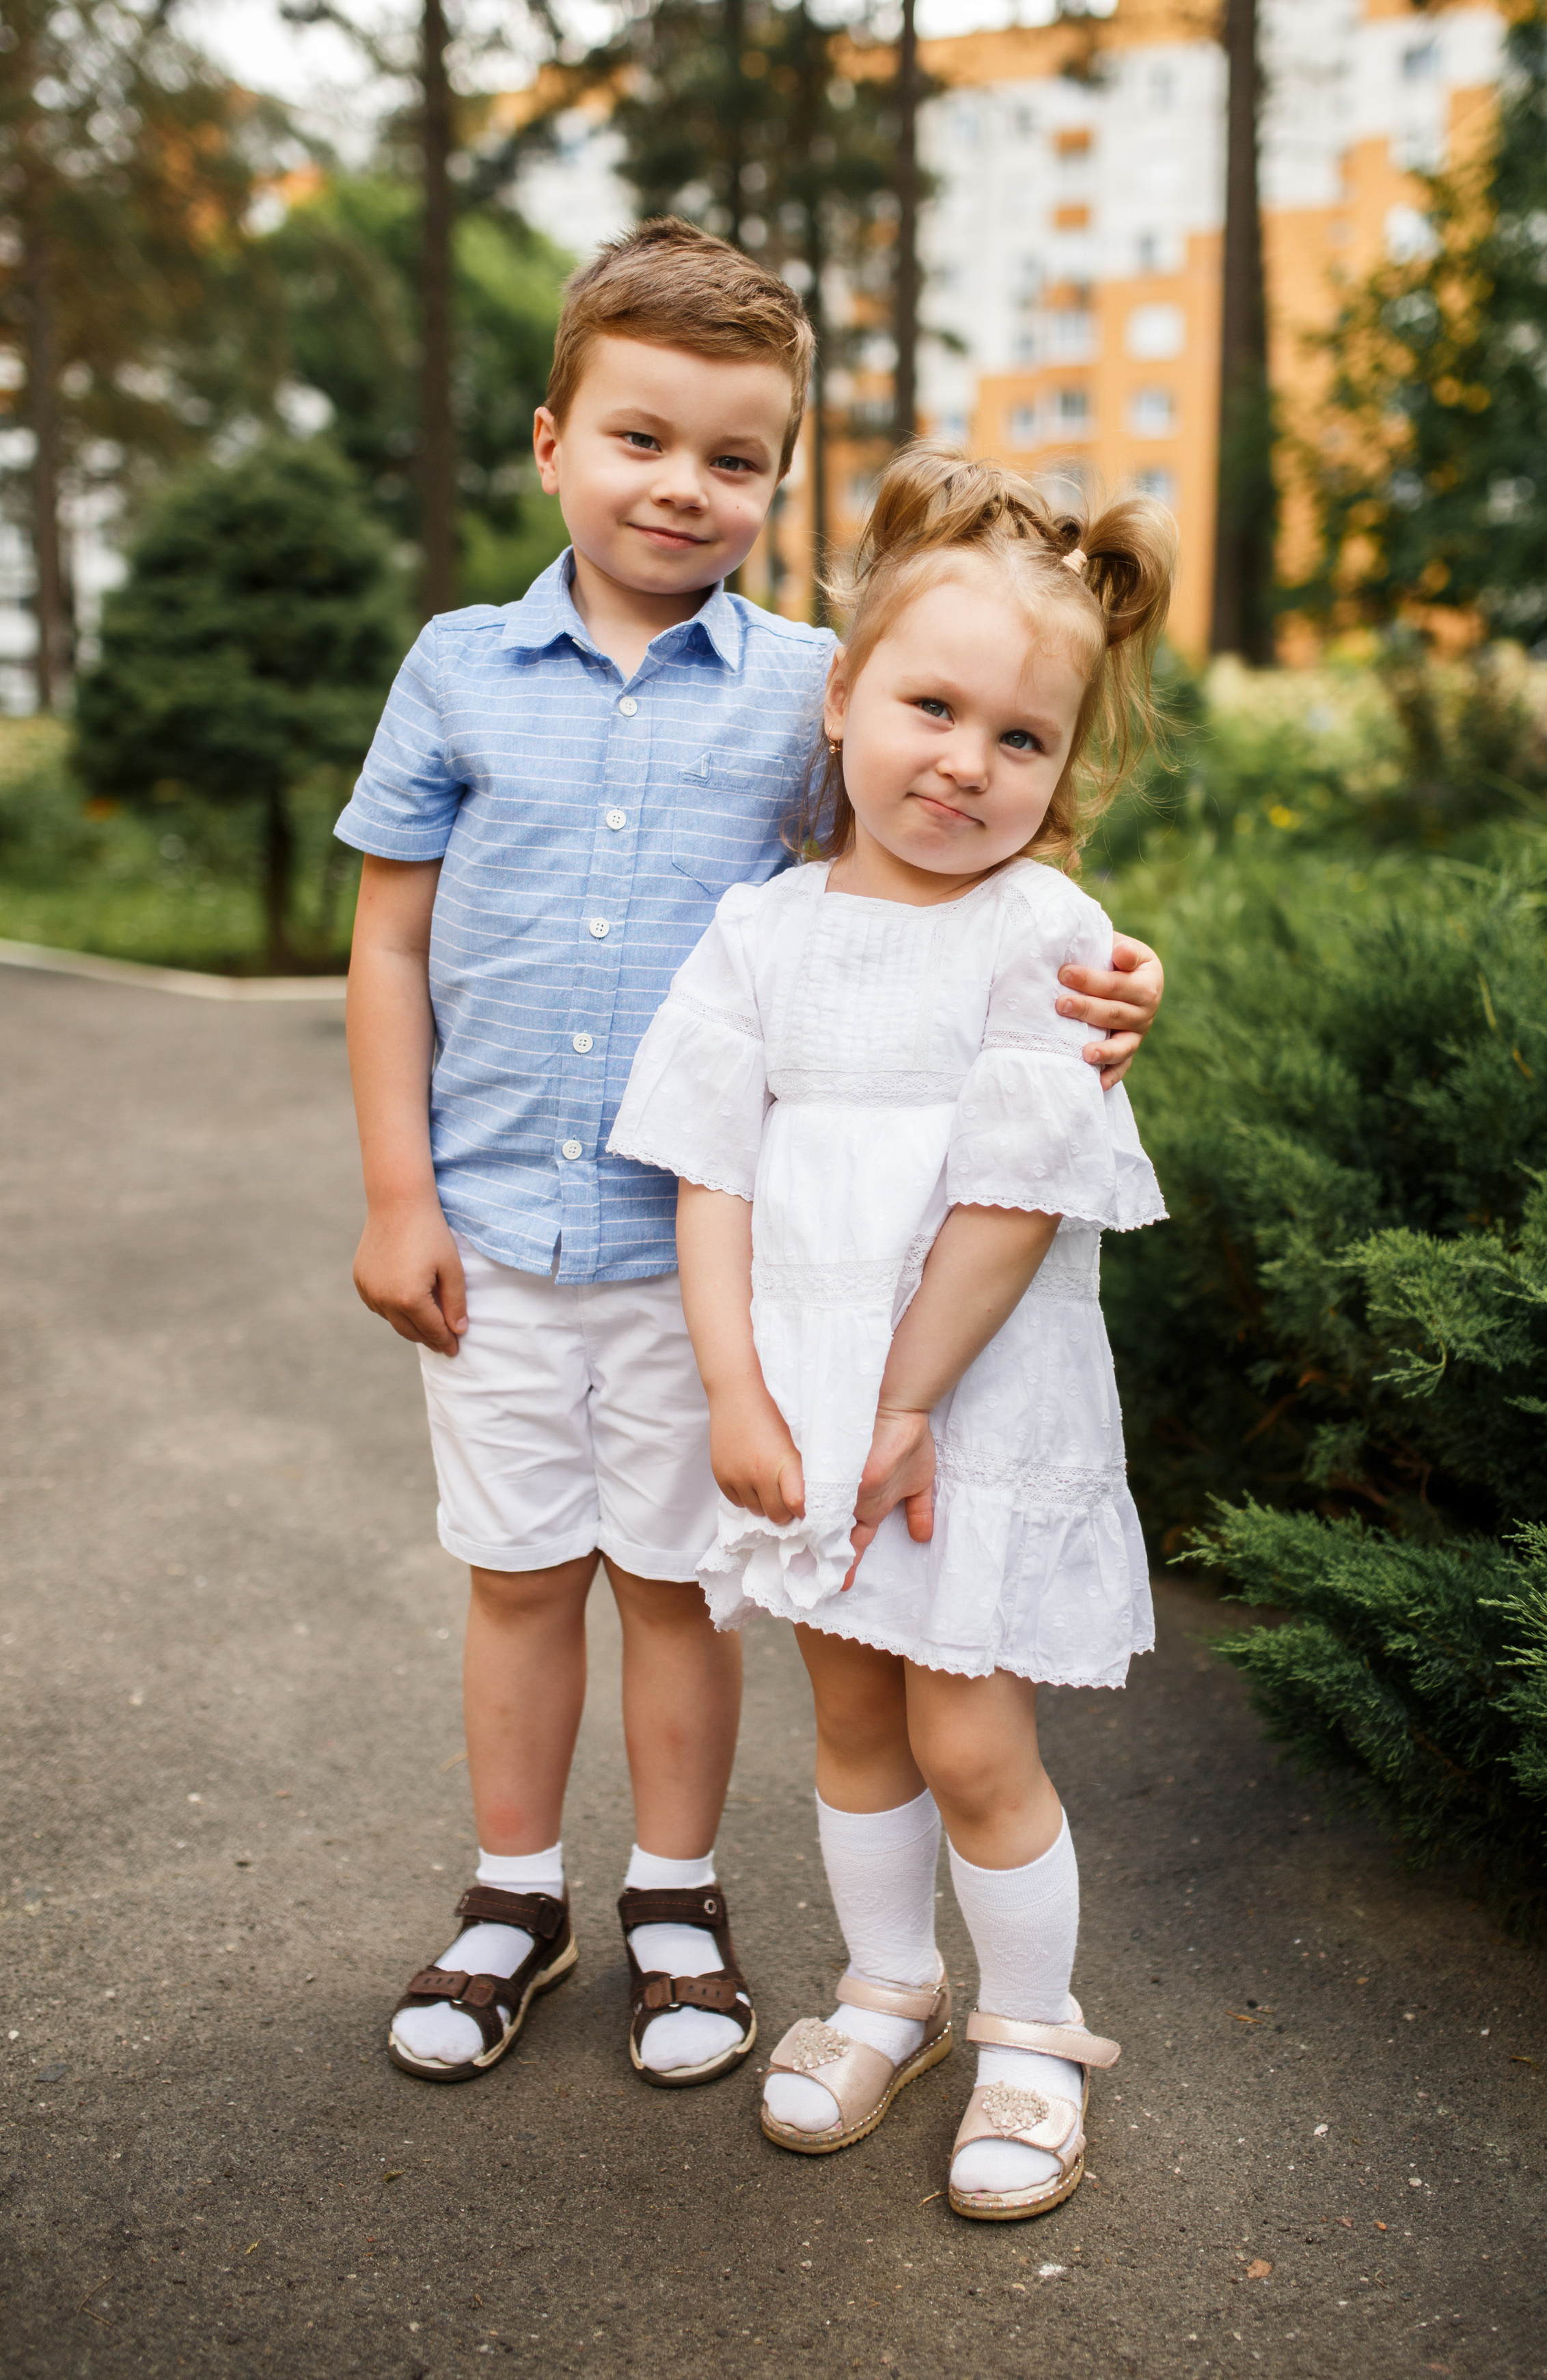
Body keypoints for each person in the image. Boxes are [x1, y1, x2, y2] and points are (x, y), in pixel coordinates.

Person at [335, 221, 1168, 2089]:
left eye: (735, 458)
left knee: (679, 1584)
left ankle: (682, 1896)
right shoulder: (460, 674)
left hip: (721, 1269)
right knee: (521, 1566)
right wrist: (396, 1190)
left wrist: (1120, 976)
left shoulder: (827, 677)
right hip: (496, 1229)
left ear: (779, 480)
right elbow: (390, 940)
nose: (683, 486)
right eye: (641, 439)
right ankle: (513, 1888)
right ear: (552, 440)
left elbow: (962, 868)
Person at [608, 442, 1173, 2216]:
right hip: (807, 1408)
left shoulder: (1047, 933)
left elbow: (1012, 1200)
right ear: (845, 693)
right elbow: (709, 1171)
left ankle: (1031, 2027)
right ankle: (890, 1991)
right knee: (851, 1722)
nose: (968, 762)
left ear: (1066, 768)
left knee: (971, 1737)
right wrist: (735, 1389)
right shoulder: (760, 932)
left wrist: (910, 1402)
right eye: (933, 706)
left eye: (1023, 739)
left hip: (964, 1413)